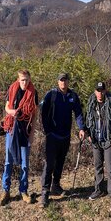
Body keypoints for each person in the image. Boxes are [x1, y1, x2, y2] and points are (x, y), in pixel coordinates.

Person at [39, 73, 86, 207]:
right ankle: (45, 192)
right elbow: (43, 112)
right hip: (52, 135)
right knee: (49, 164)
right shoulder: (51, 95)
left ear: (68, 82)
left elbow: (78, 113)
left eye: (65, 80)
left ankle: (56, 185)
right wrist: (47, 130)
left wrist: (81, 128)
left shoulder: (72, 96)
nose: (63, 82)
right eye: (61, 80)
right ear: (58, 82)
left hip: (65, 136)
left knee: (60, 161)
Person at [0, 69, 39, 205]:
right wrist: (12, 112)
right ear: (18, 79)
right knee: (8, 161)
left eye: (27, 79)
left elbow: (34, 115)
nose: (24, 82)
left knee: (24, 164)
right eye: (22, 79)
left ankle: (23, 190)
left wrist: (32, 134)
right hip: (11, 129)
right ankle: (6, 191)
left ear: (30, 79)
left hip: (25, 131)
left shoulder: (33, 93)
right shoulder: (13, 89)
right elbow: (6, 106)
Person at [85, 81, 111, 211]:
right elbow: (87, 120)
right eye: (97, 90)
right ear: (94, 91)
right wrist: (86, 133)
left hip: (108, 140)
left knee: (110, 168)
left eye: (102, 90)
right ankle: (99, 190)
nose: (100, 93)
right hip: (96, 140)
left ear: (105, 90)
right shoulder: (91, 103)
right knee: (97, 166)